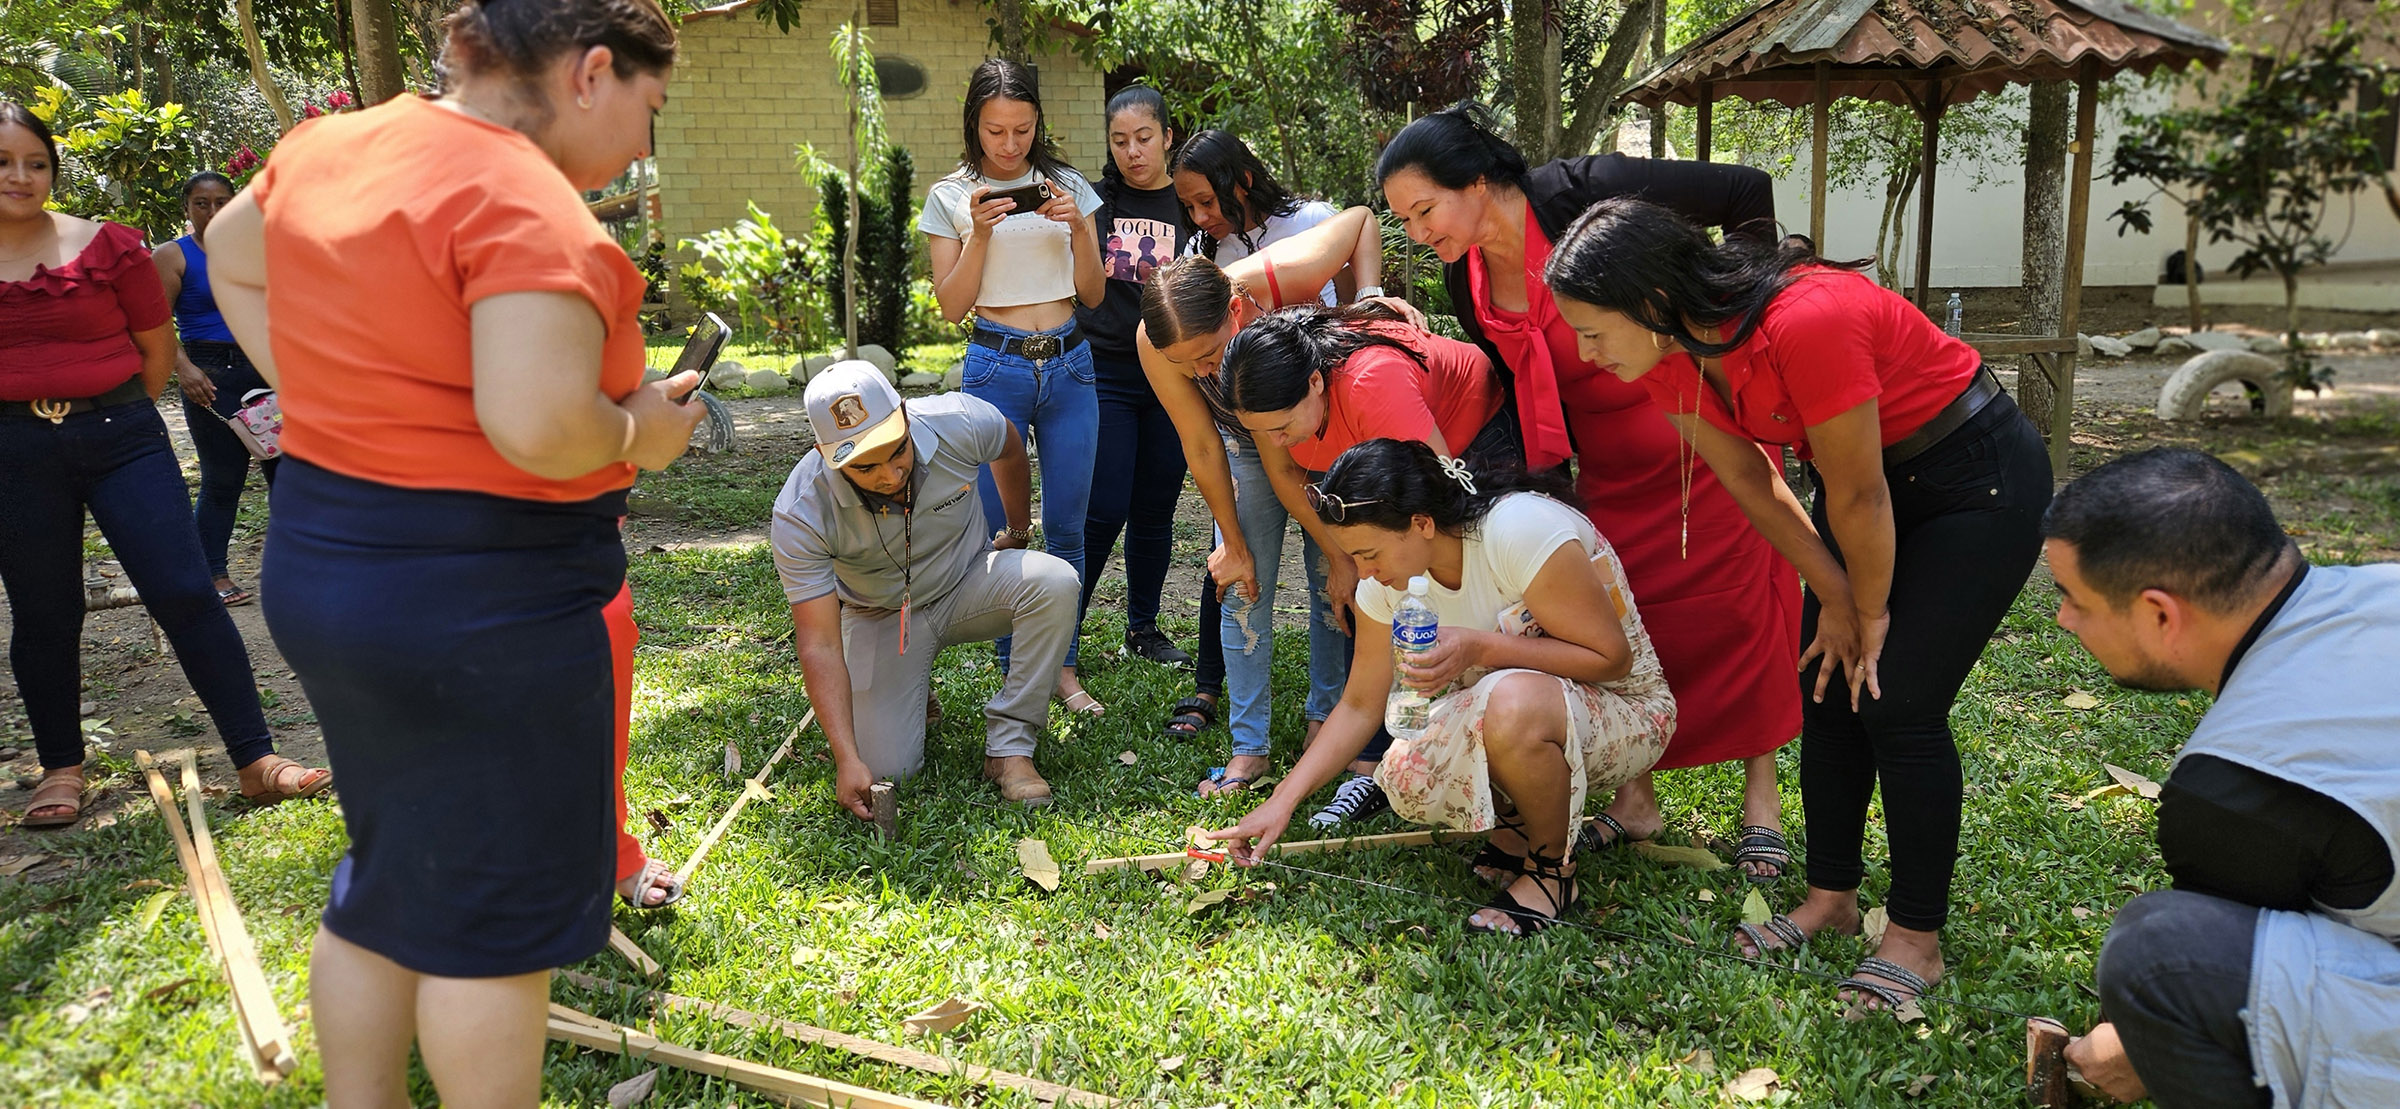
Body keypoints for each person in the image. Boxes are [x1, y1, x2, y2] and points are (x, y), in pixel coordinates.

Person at [200, 0, 704, 1100]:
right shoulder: (525, 201)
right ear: (592, 73)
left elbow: (230, 259)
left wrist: (339, 399)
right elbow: (540, 423)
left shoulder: (331, 146)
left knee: (388, 873)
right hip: (482, 603)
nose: (641, 145)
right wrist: (643, 433)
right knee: (494, 923)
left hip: (328, 564)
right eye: (650, 108)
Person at [1543, 197, 2052, 1010]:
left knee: (1897, 700)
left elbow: (1860, 492)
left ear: (1650, 300)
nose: (1585, 352)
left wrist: (1867, 611)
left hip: (1973, 478)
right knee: (1825, 685)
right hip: (1870, 491)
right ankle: (1832, 897)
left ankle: (1915, 938)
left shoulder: (1807, 319)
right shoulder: (1670, 353)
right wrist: (1835, 594)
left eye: (1593, 331)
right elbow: (1750, 478)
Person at [1377, 102, 1802, 879]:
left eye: (1424, 210)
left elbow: (1747, 191)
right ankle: (1635, 799)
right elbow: (1519, 386)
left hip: (1700, 436)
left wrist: (1730, 324)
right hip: (1605, 464)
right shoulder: (1465, 277)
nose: (1416, 232)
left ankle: (1761, 803)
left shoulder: (1583, 190)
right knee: (1619, 613)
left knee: (1742, 608)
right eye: (1403, 220)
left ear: (1476, 182)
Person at [2027, 449, 2400, 1109]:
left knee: (2159, 960)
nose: (2063, 618)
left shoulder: (2234, 784)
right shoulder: (2381, 588)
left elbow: (2220, 981)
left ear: (2160, 614)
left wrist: (2141, 1044)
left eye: (2073, 598)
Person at [0, 101, 327, 831]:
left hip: (121, 436)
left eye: (36, 162)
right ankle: (61, 768)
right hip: (14, 449)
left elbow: (155, 348)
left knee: (184, 590)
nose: (21, 176)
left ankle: (256, 759)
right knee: (44, 609)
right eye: (4, 162)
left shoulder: (108, 246)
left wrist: (108, 415)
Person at [1207, 439, 1673, 935]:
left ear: (1422, 524)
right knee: (1407, 767)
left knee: (1510, 701)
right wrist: (1281, 801)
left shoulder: (1518, 531)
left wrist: (1479, 647)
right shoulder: (1384, 587)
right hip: (1523, 707)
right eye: (1354, 557)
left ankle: (1552, 873)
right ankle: (1518, 828)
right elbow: (1360, 704)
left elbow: (1611, 659)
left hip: (1628, 711)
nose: (1363, 573)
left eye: (1369, 554)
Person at [1132, 208, 1414, 802]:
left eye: (1211, 354)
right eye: (1189, 366)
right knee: (1242, 583)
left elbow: (1361, 220)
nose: (1204, 372)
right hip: (1239, 445)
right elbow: (1201, 445)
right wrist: (1232, 542)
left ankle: (1325, 723)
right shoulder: (1157, 341)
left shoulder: (1280, 277)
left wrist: (1368, 297)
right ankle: (1248, 747)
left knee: (1333, 578)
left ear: (1237, 311)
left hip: (1312, 435)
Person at [1216, 303, 1519, 823]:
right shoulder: (1272, 404)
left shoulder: (1371, 384)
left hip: (1470, 439)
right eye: (1261, 432)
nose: (1276, 442)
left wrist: (1386, 573)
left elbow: (1438, 499)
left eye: (1283, 428)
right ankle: (1374, 763)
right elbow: (1287, 475)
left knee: (1448, 594)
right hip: (1396, 456)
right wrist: (1343, 560)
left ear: (1316, 383)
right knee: (1376, 597)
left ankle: (1481, 753)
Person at [771, 363, 1074, 812]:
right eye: (865, 466)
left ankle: (1010, 748)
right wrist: (846, 758)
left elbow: (1009, 446)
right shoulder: (800, 514)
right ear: (824, 453)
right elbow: (820, 644)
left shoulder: (959, 421)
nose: (890, 475)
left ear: (904, 414)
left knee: (1054, 581)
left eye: (897, 450)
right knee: (887, 769)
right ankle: (913, 689)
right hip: (879, 613)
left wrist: (1017, 530)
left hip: (969, 580)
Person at [920, 57, 1107, 718]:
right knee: (1005, 534)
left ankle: (1064, 669)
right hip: (995, 365)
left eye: (1022, 130)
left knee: (1068, 527)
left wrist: (1078, 226)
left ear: (1037, 123)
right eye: (995, 130)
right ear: (974, 124)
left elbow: (1093, 293)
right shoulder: (950, 195)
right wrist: (979, 234)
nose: (1009, 144)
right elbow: (951, 306)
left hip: (1070, 364)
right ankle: (1015, 677)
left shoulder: (1069, 186)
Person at [1076, 85, 1200, 683]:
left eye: (1144, 138)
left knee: (1155, 505)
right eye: (1120, 140)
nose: (1133, 152)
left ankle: (1143, 629)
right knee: (1103, 506)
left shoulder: (1191, 204)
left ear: (1167, 137)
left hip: (1173, 374)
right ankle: (1062, 628)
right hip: (1108, 371)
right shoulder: (1093, 202)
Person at [154, 169, 275, 606]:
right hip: (210, 373)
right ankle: (213, 575)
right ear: (187, 208)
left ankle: (295, 568)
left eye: (222, 202)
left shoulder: (257, 248)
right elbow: (153, 322)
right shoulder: (173, 255)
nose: (212, 211)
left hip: (266, 368)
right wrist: (183, 369)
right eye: (201, 203)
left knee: (288, 475)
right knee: (223, 479)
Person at [1174, 129, 1346, 304]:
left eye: (1206, 202)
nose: (1199, 218)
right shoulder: (1198, 251)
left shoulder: (1313, 220)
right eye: (1189, 207)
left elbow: (1353, 305)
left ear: (1244, 181)